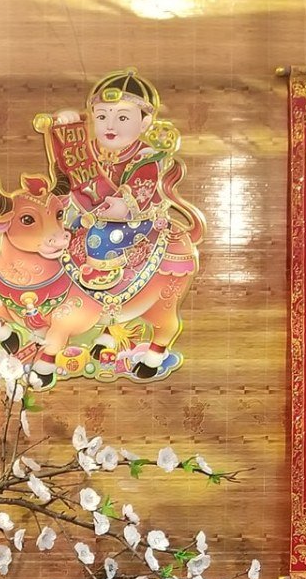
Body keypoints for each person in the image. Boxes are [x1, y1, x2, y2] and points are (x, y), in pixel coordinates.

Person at [40, 69, 205, 375]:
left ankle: (143, 339)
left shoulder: (147, 157)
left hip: (135, 225)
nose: (110, 125)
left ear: (145, 122)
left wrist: (119, 205)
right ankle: (95, 321)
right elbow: (68, 180)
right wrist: (66, 130)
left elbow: (136, 195)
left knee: (99, 239)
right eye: (102, 116)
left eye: (123, 117)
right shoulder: (89, 152)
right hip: (88, 216)